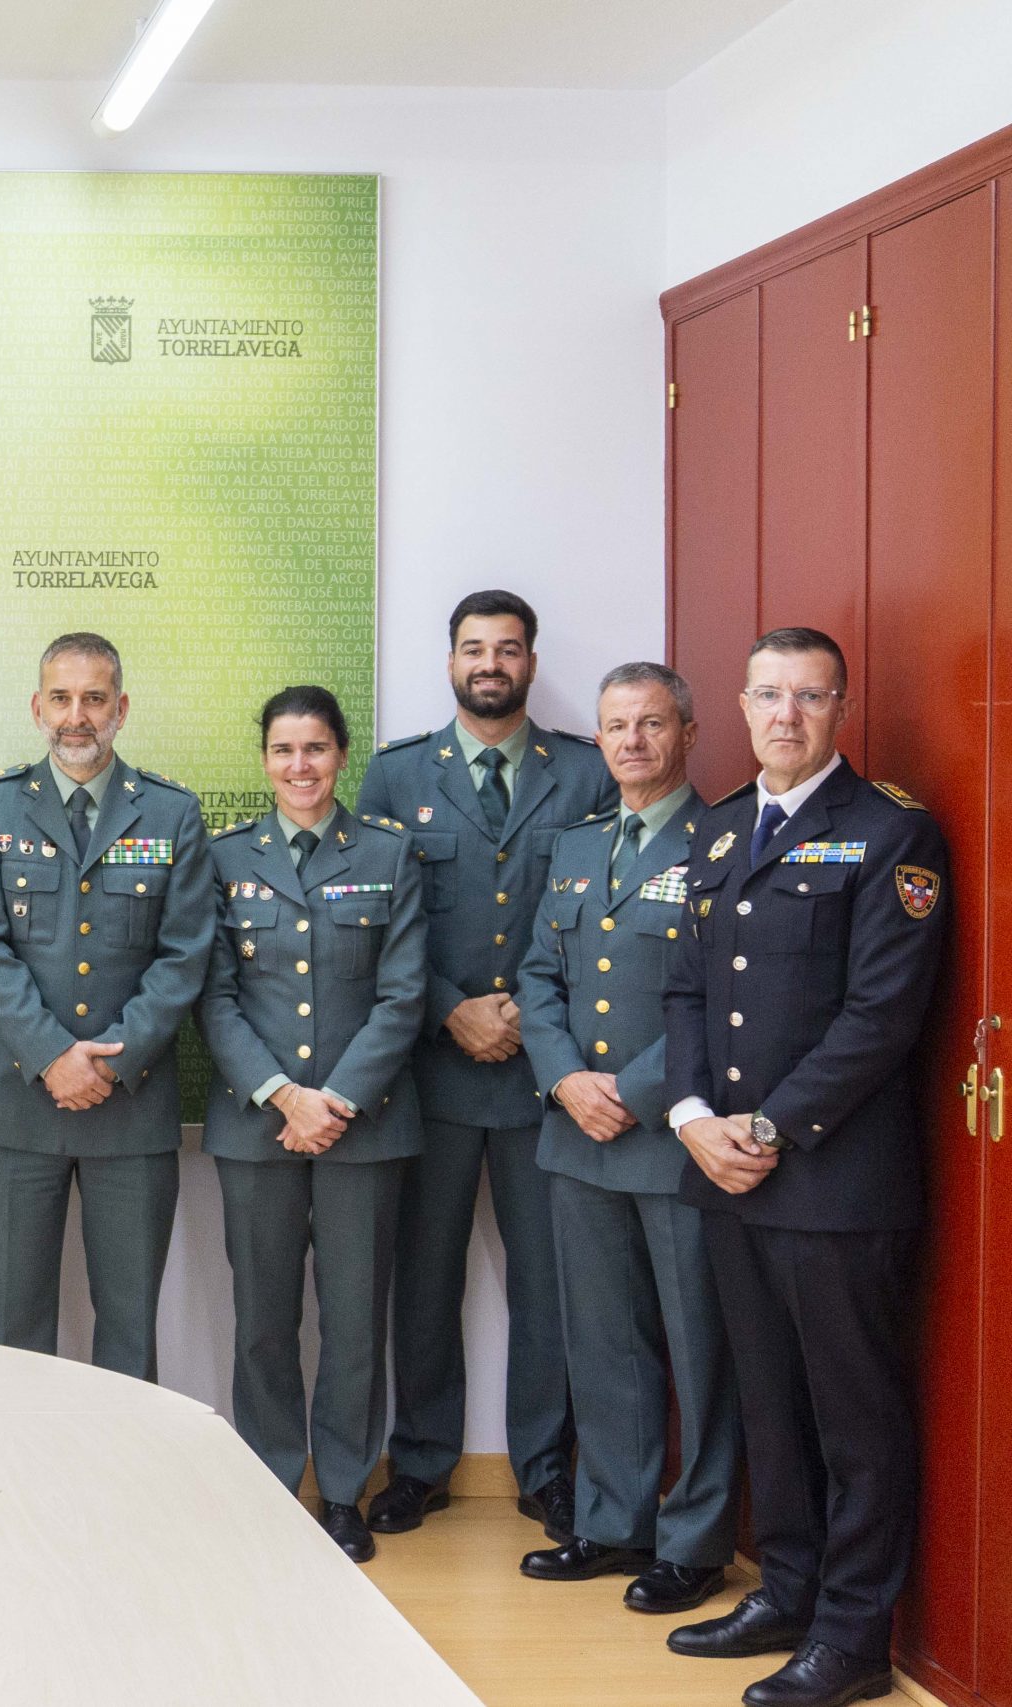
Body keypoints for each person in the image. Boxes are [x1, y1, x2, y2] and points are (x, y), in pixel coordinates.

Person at [663, 628, 946, 1707]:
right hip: (726, 1173)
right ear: (740, 706)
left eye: (810, 697)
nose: (787, 715)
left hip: (833, 1182)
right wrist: (693, 1116)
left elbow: (881, 1017)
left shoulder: (889, 833)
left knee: (853, 1419)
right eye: (770, 695)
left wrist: (769, 1129)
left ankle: (852, 1637)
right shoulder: (720, 827)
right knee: (770, 1404)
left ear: (840, 708)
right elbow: (686, 991)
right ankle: (785, 1590)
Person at [356, 588, 616, 1543]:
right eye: (474, 648)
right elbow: (369, 920)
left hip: (548, 1078)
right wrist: (449, 1008)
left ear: (532, 663)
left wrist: (524, 1019)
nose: (491, 664)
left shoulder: (584, 774)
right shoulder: (395, 777)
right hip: (430, 1072)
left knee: (550, 1286)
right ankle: (422, 1462)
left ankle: (546, 1470)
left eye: (508, 648)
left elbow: (605, 918)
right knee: (424, 1282)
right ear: (450, 662)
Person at [513, 661, 738, 1616]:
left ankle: (695, 1542)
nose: (633, 741)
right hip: (579, 1137)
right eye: (616, 725)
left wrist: (636, 1092)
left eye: (652, 723)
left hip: (672, 1140)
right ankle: (613, 1522)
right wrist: (565, 1077)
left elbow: (725, 995)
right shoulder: (577, 844)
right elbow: (538, 976)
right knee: (602, 1344)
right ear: (597, 738)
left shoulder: (724, 841)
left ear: (688, 732)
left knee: (698, 1348)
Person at [199, 685, 425, 1563]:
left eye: (317, 749)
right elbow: (213, 997)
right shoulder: (225, 857)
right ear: (265, 759)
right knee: (262, 1316)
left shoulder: (388, 854)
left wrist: (333, 1100)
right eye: (285, 750)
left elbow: (403, 995)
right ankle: (269, 1480)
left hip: (363, 1129)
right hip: (258, 1128)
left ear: (342, 756)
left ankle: (342, 1492)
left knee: (355, 1319)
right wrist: (282, 1095)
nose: (301, 766)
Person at [0, 632, 217, 1379]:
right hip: (15, 1102)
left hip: (128, 1102)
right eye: (62, 699)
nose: (77, 717)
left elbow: (184, 955)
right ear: (37, 708)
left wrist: (106, 1062)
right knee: (12, 1327)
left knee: (130, 1330)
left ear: (121, 709)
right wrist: (51, 1057)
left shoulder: (171, 812)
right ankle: (17, 1456)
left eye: (94, 699)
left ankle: (121, 1460)